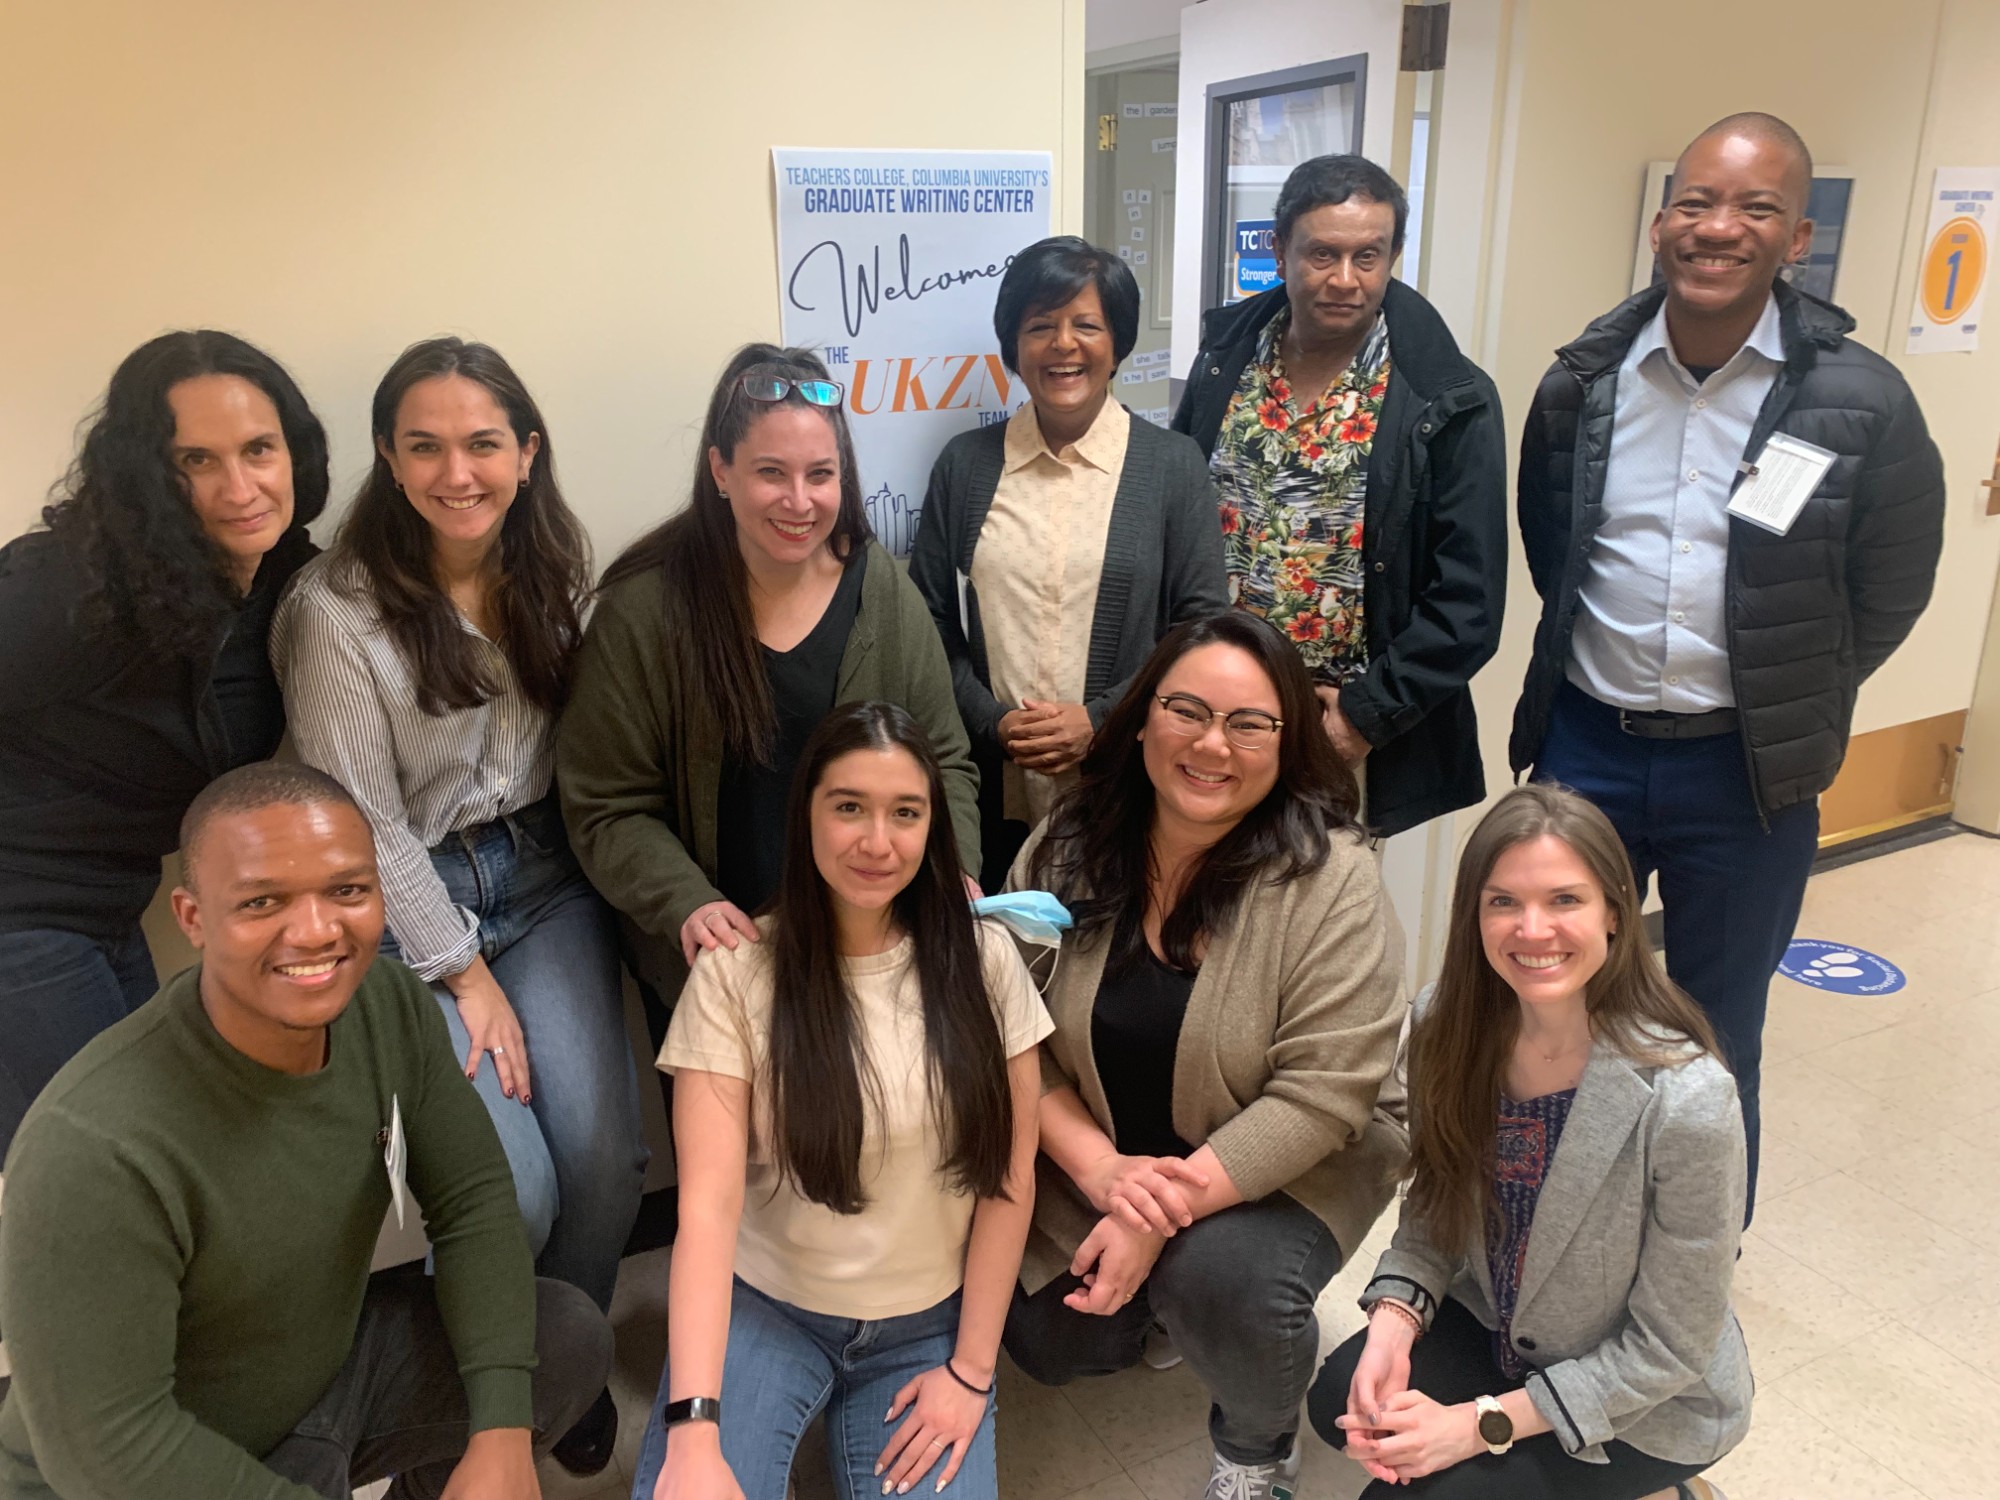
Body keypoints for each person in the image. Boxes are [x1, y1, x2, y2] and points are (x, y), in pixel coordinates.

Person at [1510, 112, 1946, 1213]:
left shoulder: (1859, 401)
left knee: (1713, 1029)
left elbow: (1889, 588)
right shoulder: (1582, 384)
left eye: (1753, 208)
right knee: (1547, 1005)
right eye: (1697, 202)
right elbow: (1549, 547)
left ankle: (1693, 1262)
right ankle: (1538, 1228)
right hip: (1585, 751)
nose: (1718, 228)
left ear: (1795, 235)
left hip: (1741, 777)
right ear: (1660, 223)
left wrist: (1795, 693)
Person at [0, 761, 613, 1500]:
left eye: (347, 890)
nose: (317, 931)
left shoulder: (386, 1005)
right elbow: (110, 1449)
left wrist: (503, 1434)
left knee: (564, 1339)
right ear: (193, 919)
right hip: (144, 1472)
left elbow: (475, 1199)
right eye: (263, 901)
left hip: (318, 1385)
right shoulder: (92, 1146)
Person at [270, 337, 646, 1474]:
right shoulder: (331, 609)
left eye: (483, 443)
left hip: (544, 878)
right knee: (511, 1192)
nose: (456, 472)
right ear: (388, 456)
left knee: (600, 1156)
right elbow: (363, 828)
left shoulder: (550, 564)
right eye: (423, 446)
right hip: (408, 903)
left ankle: (553, 1366)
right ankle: (472, 1403)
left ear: (526, 453)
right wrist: (462, 974)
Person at [1000, 612, 1407, 1500]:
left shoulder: (1332, 878)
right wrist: (1104, 1172)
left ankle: (1257, 1448)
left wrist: (1150, 1220)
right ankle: (1162, 1304)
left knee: (1225, 1281)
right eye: (1187, 710)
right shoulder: (1067, 847)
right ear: (1141, 716)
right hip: (1115, 1146)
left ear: (1288, 739)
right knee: (1052, 1337)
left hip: (1302, 1147)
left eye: (1249, 723)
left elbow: (1318, 1100)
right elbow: (1010, 1033)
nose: (1212, 745)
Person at [629, 702, 1049, 1500]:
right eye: (849, 806)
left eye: (905, 813)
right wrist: (693, 1428)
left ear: (933, 828)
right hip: (767, 1305)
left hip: (927, 1323)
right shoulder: (736, 976)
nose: (876, 841)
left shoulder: (986, 960)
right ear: (808, 815)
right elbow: (708, 1215)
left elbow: (1009, 1180)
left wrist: (970, 1372)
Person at [1308, 783, 1750, 1500]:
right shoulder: (1441, 1025)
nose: (1532, 929)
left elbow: (1670, 1350)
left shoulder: (1689, 1101)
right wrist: (1394, 1323)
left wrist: (1478, 1425)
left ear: (1615, 910)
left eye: (1565, 900)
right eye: (1503, 902)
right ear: (1474, 917)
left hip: (1642, 1398)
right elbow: (1434, 1211)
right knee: (1339, 1403)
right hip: (1501, 1325)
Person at [558, 345, 981, 1046]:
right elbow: (606, 803)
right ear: (720, 470)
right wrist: (685, 903)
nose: (799, 500)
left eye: (821, 475)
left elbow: (946, 761)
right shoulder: (644, 610)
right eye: (770, 474)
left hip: (864, 966)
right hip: (720, 971)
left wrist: (955, 867)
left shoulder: (882, 593)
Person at [0, 331, 328, 1153]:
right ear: (148, 473)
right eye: (196, 462)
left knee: (147, 1158)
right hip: (21, 917)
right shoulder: (69, 585)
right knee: (100, 1168)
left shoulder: (277, 575)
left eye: (260, 449)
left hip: (110, 910)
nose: (241, 487)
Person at [1171, 154, 1506, 839]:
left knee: (1312, 927)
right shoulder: (1222, 362)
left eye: (1368, 256)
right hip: (1209, 711)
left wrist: (1364, 716)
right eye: (1322, 254)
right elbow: (1173, 516)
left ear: (1394, 256)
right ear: (1279, 250)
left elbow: (1469, 603)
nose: (1345, 280)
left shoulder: (1448, 398)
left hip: (1334, 722)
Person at [910, 235, 1228, 890]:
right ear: (1013, 347)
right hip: (990, 793)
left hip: (1130, 790)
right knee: (995, 972)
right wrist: (992, 723)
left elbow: (1198, 632)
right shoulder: (965, 467)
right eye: (1040, 326)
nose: (1063, 344)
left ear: (1117, 343)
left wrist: (1103, 720)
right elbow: (929, 625)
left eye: (1086, 325)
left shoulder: (1172, 468)